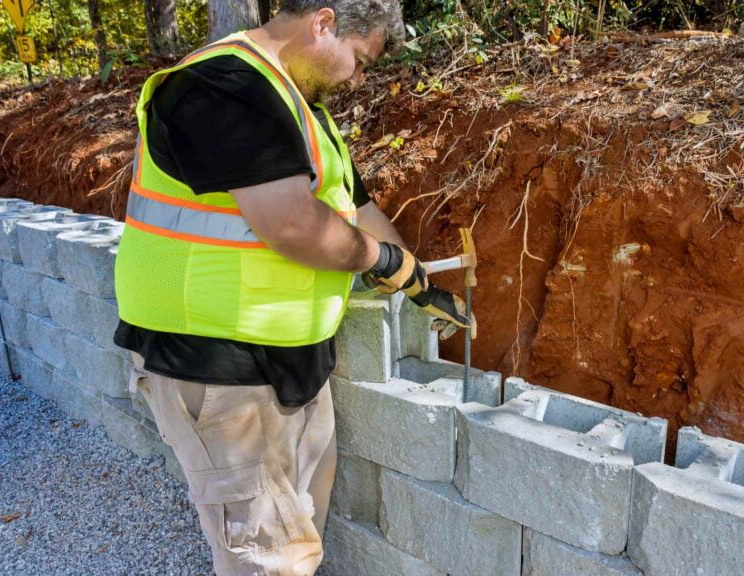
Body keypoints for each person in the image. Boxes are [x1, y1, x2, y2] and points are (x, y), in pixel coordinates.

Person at [112, 1, 473, 573]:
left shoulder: (299, 105)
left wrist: (416, 278)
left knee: (295, 537)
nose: (357, 77)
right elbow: (293, 225)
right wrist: (380, 261)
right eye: (358, 59)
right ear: (323, 23)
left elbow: (354, 206)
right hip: (218, 364)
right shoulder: (221, 87)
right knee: (266, 557)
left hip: (289, 361)